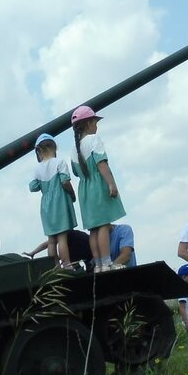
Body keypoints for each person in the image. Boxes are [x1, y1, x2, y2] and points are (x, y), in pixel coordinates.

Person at [70, 105, 126, 272]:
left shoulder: (74, 148)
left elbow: (75, 172)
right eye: (95, 122)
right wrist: (111, 183)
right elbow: (101, 164)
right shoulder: (94, 140)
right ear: (88, 124)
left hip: (85, 189)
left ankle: (98, 264)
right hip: (97, 185)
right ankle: (107, 262)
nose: (96, 126)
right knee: (103, 225)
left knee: (93, 229)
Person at [28, 133, 77, 270]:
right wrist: (72, 195)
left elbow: (33, 187)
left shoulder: (37, 169)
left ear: (39, 151)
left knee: (51, 240)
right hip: (60, 201)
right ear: (55, 148)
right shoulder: (60, 162)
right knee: (62, 238)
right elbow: (65, 182)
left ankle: (55, 268)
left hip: (46, 206)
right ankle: (67, 265)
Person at [24, 228, 92, 269]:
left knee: (72, 262)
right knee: (82, 263)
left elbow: (48, 243)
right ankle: (86, 267)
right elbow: (47, 244)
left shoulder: (64, 236)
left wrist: (33, 252)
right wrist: (33, 252)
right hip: (86, 247)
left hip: (84, 247)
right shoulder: (68, 236)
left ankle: (80, 269)